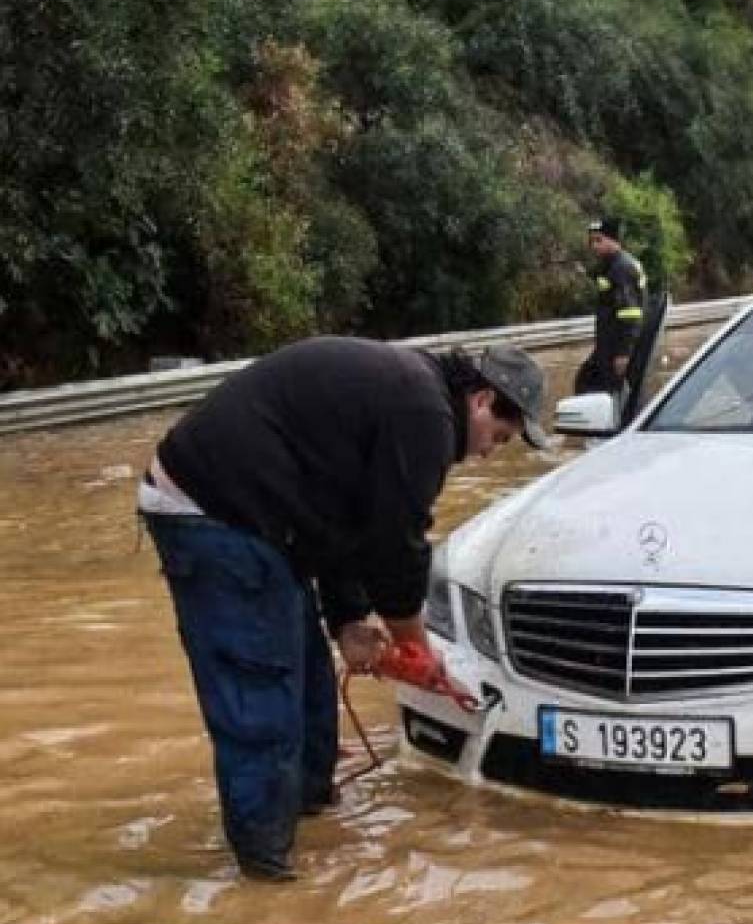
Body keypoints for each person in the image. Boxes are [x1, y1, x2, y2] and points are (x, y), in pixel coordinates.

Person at [138, 338, 550, 881]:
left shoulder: (412, 399)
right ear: (481, 400)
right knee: (262, 699)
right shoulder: (425, 415)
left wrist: (348, 623)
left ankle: (312, 823)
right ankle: (266, 881)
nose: (489, 452)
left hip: (265, 521)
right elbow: (395, 549)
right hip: (210, 513)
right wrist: (417, 649)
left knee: (310, 695)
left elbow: (348, 523)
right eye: (498, 437)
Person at [577, 218, 649, 396]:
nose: (594, 246)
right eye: (591, 241)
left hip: (618, 348)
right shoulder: (610, 264)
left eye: (599, 240)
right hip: (607, 345)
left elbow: (631, 314)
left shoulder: (621, 268)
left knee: (610, 394)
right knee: (586, 383)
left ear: (613, 240)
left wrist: (624, 353)